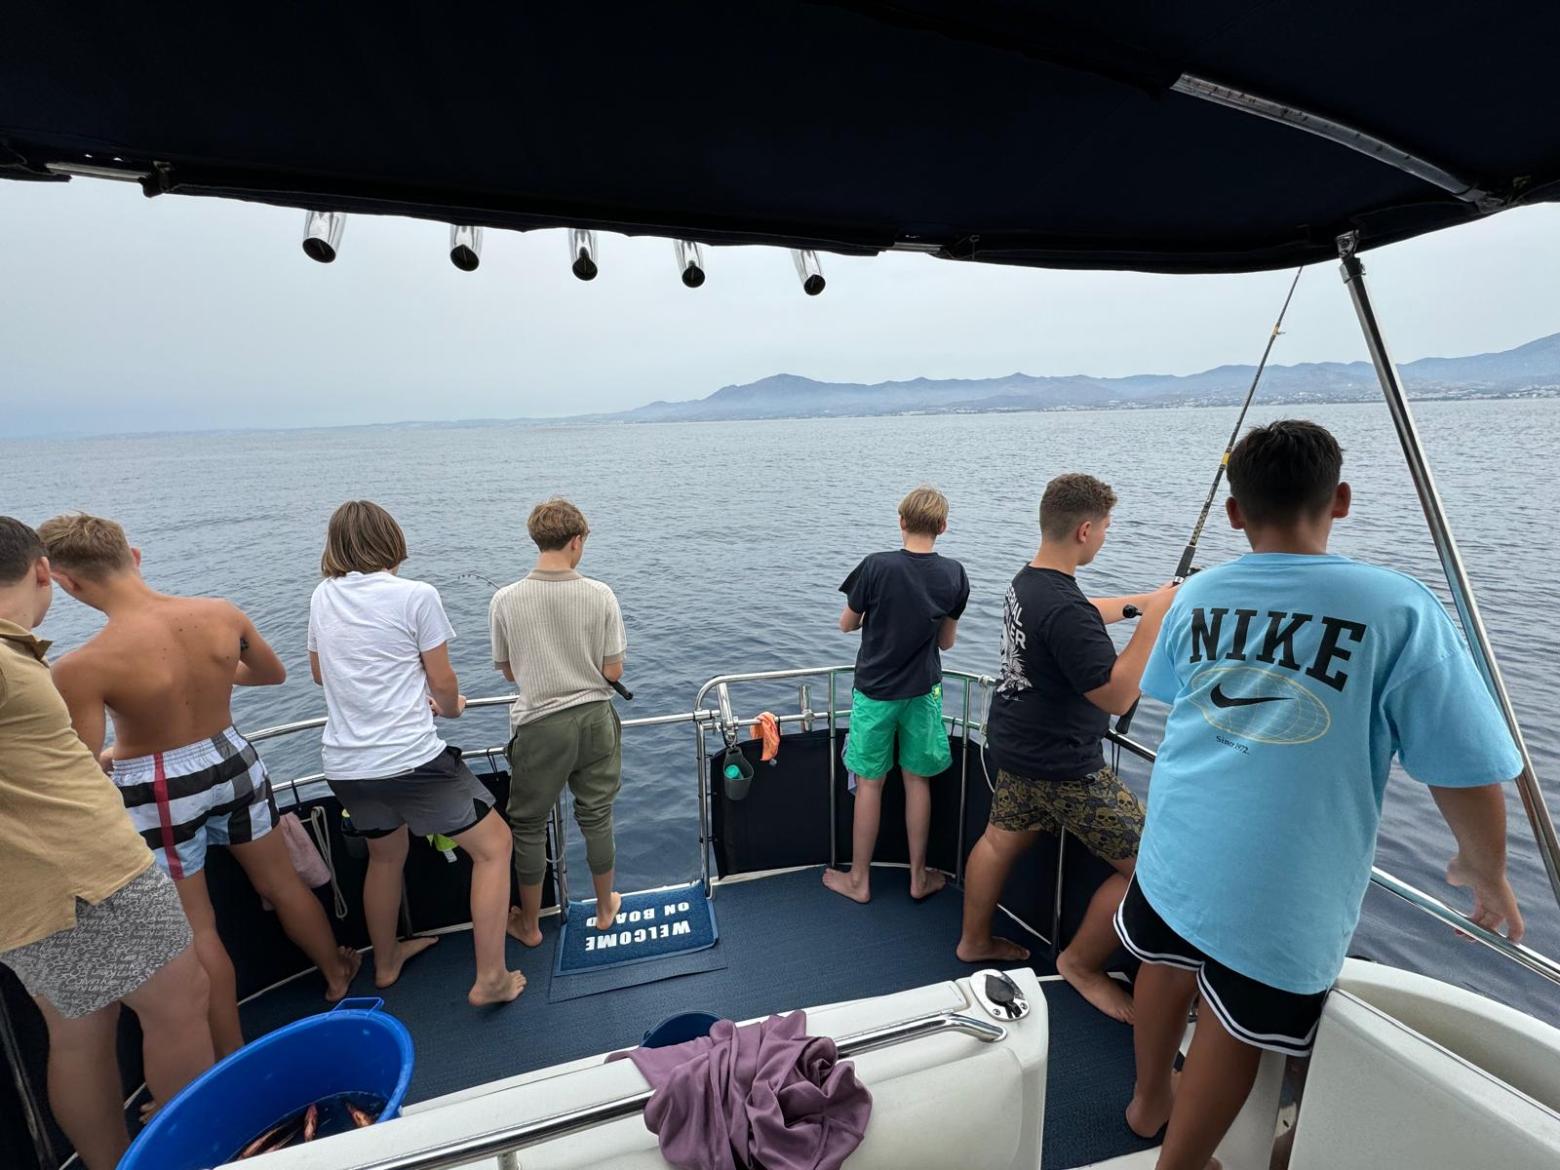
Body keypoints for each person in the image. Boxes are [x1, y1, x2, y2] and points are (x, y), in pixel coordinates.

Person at [1118, 420, 1524, 1170]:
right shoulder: (1396, 608)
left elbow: (1179, 699)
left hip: (1177, 843)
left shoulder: (1196, 593)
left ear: (1235, 512)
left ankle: (1147, 1103)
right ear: (1339, 499)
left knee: (1164, 965)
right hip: (1283, 883)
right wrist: (1487, 869)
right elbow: (1464, 765)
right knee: (1233, 1028)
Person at [39, 513, 359, 1058]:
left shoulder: (82, 665)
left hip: (160, 785)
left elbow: (85, 762)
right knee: (281, 880)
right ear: (134, 555)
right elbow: (272, 674)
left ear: (66, 581)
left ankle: (229, 1052)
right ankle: (336, 972)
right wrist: (207, 673)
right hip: (233, 755)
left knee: (199, 925)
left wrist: (123, 754)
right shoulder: (219, 614)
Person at [0, 517, 214, 1169]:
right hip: (89, 875)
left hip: (26, 893)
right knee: (182, 1003)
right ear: (43, 570)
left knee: (78, 1034)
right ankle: (196, 1154)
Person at [956, 474, 1176, 1025]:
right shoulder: (1063, 608)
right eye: (1104, 529)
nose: (1104, 537)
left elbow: (1077, 609)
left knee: (998, 841)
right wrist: (1155, 620)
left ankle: (972, 941)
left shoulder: (1028, 581)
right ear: (1085, 529)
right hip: (1066, 768)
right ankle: (1079, 964)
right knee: (1152, 867)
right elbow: (1119, 690)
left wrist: (1137, 602)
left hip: (1015, 744)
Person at [308, 501, 525, 1007]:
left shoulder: (323, 595)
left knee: (385, 856)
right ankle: (490, 978)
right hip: (410, 761)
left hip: (345, 765)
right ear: (391, 541)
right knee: (493, 847)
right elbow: (443, 681)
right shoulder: (416, 596)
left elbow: (322, 673)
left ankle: (385, 964)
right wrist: (451, 708)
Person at [823, 486, 970, 904]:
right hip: (923, 692)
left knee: (870, 784)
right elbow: (946, 643)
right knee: (916, 781)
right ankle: (919, 877)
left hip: (875, 692)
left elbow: (846, 624)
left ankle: (859, 880)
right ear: (942, 527)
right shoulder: (955, 574)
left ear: (901, 521)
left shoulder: (875, 567)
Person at [491, 498, 627, 946]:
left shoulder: (505, 600)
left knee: (529, 827)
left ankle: (529, 926)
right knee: (597, 815)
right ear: (576, 541)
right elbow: (614, 672)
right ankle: (605, 908)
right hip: (593, 721)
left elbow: (509, 670)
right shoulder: (600, 594)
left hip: (540, 725)